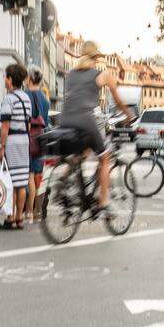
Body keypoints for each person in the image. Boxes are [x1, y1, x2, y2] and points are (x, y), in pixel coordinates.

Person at [57, 40, 134, 211]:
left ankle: (64, 180)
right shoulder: (102, 75)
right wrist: (129, 115)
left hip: (64, 119)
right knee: (105, 158)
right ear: (97, 56)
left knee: (82, 153)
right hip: (85, 119)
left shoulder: (70, 74)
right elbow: (118, 101)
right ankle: (104, 201)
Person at [0, 63, 32, 230]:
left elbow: (5, 125)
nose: (4, 80)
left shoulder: (8, 99)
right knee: (21, 182)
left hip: (11, 142)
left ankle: (10, 218)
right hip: (24, 140)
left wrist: (2, 147)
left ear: (10, 80)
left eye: (5, 77)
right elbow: (29, 124)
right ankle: (19, 219)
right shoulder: (26, 98)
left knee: (9, 181)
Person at [24, 66, 50, 223]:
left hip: (27, 140)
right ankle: (36, 211)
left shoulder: (25, 96)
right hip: (40, 140)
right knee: (38, 178)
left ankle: (28, 212)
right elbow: (45, 123)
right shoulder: (45, 100)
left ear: (28, 79)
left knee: (29, 176)